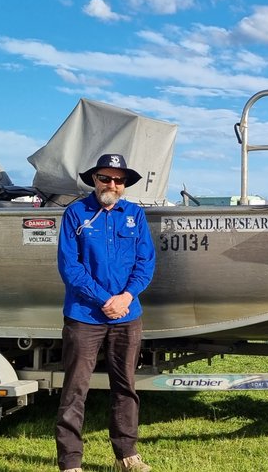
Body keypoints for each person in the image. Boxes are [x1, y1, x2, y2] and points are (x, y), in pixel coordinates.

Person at [55, 154, 156, 472]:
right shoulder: (76, 213)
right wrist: (104, 300)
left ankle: (127, 455)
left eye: (119, 179)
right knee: (75, 389)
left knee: (125, 386)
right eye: (105, 178)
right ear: (94, 180)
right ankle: (70, 462)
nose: (112, 184)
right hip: (85, 316)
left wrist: (126, 296)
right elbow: (70, 268)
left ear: (125, 184)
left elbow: (146, 262)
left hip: (127, 314)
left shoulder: (135, 214)